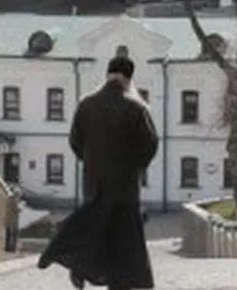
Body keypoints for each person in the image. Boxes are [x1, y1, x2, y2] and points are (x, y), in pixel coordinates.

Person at [38, 46, 159, 290]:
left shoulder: (86, 104)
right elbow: (150, 144)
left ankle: (78, 266)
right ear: (128, 78)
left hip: (95, 184)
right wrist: (134, 166)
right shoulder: (136, 108)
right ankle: (119, 284)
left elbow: (74, 141)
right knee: (123, 241)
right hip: (124, 188)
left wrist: (92, 161)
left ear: (108, 74)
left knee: (95, 232)